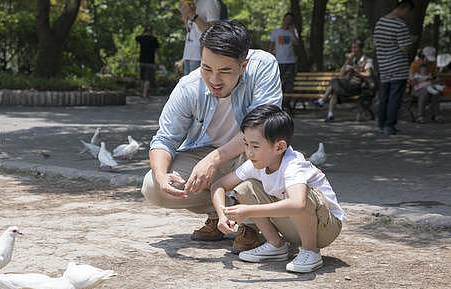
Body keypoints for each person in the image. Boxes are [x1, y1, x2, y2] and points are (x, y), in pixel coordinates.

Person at [141, 20, 282, 254]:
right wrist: (161, 175)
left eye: (225, 71)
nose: (214, 80)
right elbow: (164, 139)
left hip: (252, 152)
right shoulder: (188, 86)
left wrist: (213, 160)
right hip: (208, 154)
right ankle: (222, 214)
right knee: (152, 186)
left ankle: (250, 223)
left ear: (243, 66)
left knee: (260, 151)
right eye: (207, 69)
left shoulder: (263, 66)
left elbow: (262, 126)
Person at [210, 104, 346, 273]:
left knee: (302, 197)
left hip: (325, 229)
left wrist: (250, 211)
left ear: (280, 147)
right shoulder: (255, 164)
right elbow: (219, 185)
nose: (248, 153)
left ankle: (310, 251)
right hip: (293, 226)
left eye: (255, 146)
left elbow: (297, 205)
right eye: (246, 144)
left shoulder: (293, 165)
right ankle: (276, 245)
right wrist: (222, 216)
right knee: (246, 188)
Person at [373, 0, 414, 135]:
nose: (407, 15)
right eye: (408, 12)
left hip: (384, 66)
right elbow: (403, 47)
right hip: (398, 67)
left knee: (384, 97)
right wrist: (410, 43)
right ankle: (389, 125)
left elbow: (375, 43)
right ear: (405, 8)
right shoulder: (400, 25)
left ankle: (381, 124)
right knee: (395, 97)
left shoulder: (380, 23)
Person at [313, 39, 374, 122]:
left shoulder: (367, 60)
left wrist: (355, 71)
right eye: (352, 48)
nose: (353, 50)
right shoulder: (352, 60)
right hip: (348, 85)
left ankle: (322, 101)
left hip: (358, 86)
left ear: (360, 49)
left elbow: (368, 74)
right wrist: (347, 61)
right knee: (335, 91)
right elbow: (341, 73)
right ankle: (330, 115)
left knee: (334, 81)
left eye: (355, 48)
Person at [178, 0, 221, 75]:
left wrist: (193, 16)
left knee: (197, 86)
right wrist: (184, 14)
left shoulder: (210, 2)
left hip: (200, 56)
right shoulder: (192, 2)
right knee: (188, 86)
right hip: (189, 53)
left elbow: (213, 33)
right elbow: (189, 30)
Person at [269, 12, 300, 108]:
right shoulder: (275, 32)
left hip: (291, 61)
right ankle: (278, 103)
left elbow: (296, 43)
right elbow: (270, 47)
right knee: (277, 82)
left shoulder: (293, 31)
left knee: (290, 82)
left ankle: (287, 103)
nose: (288, 21)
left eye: (290, 20)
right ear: (284, 19)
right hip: (279, 61)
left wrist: (292, 31)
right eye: (287, 19)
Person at [408, 46, 443, 123]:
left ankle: (436, 115)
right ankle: (420, 116)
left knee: (436, 92)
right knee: (425, 92)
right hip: (416, 88)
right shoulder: (415, 64)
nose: (429, 61)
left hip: (429, 85)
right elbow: (411, 80)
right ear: (423, 56)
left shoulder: (433, 64)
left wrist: (436, 80)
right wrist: (424, 80)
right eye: (428, 58)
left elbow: (435, 76)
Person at [136, 27, 161, 99]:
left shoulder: (141, 38)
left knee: (142, 78)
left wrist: (143, 34)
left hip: (142, 61)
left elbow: (137, 37)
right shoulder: (154, 39)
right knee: (148, 79)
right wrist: (159, 59)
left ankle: (142, 92)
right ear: (151, 31)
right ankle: (145, 94)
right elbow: (158, 50)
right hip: (150, 62)